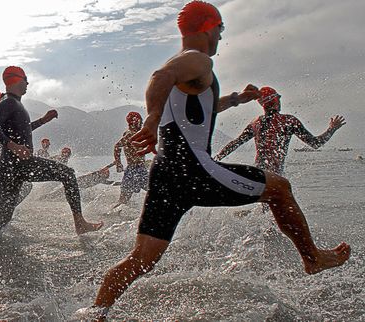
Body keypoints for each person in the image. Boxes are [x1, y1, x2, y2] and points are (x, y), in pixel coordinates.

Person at [86, 2, 350, 319]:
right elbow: (161, 76)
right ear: (208, 27)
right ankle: (312, 258)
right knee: (280, 188)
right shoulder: (195, 60)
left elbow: (201, 109)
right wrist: (152, 119)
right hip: (192, 168)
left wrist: (237, 99)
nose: (221, 37)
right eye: (220, 29)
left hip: (166, 173)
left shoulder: (192, 72)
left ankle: (95, 311)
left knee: (141, 258)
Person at [0, 66, 103, 236]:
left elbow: (23, 131)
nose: (28, 83)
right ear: (17, 80)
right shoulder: (9, 102)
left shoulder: (14, 103)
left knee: (4, 216)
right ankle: (80, 223)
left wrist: (43, 120)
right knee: (67, 174)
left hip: (11, 167)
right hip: (18, 164)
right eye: (25, 79)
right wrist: (14, 146)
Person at [215, 86, 346, 174]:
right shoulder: (288, 121)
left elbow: (235, 143)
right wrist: (332, 128)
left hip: (259, 174)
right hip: (275, 175)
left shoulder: (255, 123)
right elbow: (316, 143)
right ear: (276, 100)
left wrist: (215, 159)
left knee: (266, 208)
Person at [112, 111, 149, 207]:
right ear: (135, 121)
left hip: (140, 168)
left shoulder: (137, 134)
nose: (141, 123)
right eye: (140, 121)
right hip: (132, 169)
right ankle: (112, 213)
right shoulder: (130, 134)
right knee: (124, 198)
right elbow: (117, 146)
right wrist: (118, 163)